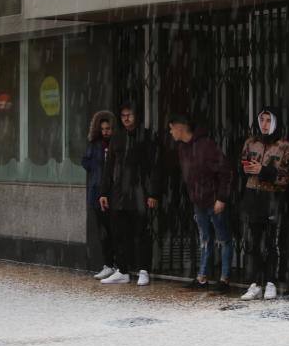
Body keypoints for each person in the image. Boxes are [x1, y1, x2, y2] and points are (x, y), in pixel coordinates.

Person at [167, 114, 233, 293]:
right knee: (205, 239)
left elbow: (225, 170)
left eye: (171, 128)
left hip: (213, 200)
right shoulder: (182, 148)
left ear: (180, 128)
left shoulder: (206, 146)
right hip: (199, 201)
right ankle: (202, 278)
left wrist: (221, 197)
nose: (170, 132)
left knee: (223, 239)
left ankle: (224, 279)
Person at [98, 102, 161, 286]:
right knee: (120, 233)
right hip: (119, 193)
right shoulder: (117, 137)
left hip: (140, 191)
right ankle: (123, 270)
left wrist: (153, 193)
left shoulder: (147, 137)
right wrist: (103, 192)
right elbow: (109, 167)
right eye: (123, 115)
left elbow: (155, 167)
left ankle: (143, 270)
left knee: (141, 232)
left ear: (136, 116)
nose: (126, 118)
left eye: (129, 114)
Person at [239, 107, 289, 300]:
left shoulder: (284, 146)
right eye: (261, 120)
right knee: (253, 243)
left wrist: (264, 170)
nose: (264, 124)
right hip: (253, 196)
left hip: (273, 198)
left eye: (268, 120)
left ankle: (271, 282)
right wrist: (248, 169)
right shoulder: (251, 143)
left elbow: (287, 177)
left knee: (272, 243)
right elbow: (243, 166)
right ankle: (255, 283)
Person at [82, 110, 116, 280]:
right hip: (97, 190)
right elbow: (85, 161)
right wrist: (96, 166)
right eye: (103, 129)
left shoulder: (115, 144)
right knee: (103, 230)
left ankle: (117, 264)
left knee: (114, 230)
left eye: (108, 128)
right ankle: (108, 264)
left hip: (112, 191)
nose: (105, 132)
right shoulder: (95, 144)